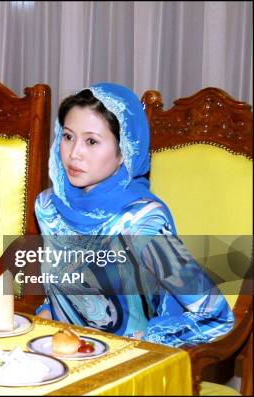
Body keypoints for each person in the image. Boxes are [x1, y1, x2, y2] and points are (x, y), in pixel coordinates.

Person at [34, 82, 234, 347]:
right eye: (68, 136)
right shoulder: (49, 207)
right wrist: (47, 314)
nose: (74, 153)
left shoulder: (141, 222)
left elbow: (216, 317)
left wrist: (145, 341)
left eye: (91, 141)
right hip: (66, 354)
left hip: (129, 366)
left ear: (124, 151)